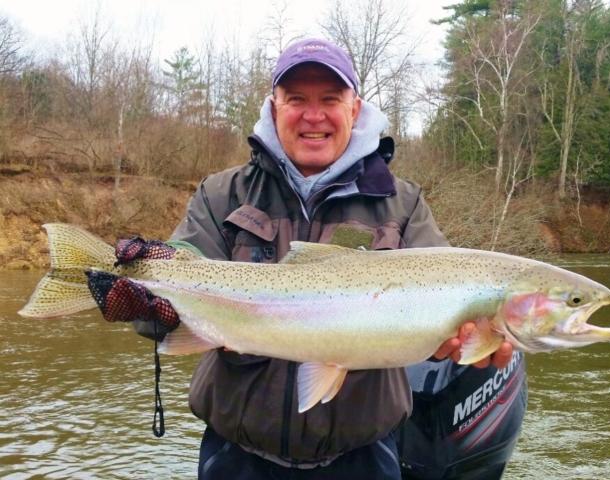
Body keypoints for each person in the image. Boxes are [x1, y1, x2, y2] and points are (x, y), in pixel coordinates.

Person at [100, 38, 524, 479]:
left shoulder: (404, 205)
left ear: (355, 109)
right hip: (237, 457)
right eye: (297, 99)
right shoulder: (222, 194)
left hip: (363, 458)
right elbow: (175, 284)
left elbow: (442, 319)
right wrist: (151, 298)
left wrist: (458, 347)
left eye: (330, 99)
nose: (314, 115)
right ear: (274, 106)